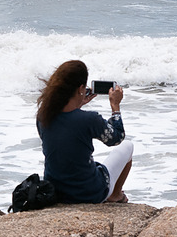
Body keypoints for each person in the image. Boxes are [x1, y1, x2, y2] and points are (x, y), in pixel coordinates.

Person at [36, 60, 133, 203]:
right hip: (88, 193)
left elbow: (65, 136)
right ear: (81, 88)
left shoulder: (43, 115)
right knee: (128, 146)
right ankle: (115, 194)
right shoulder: (89, 119)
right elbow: (116, 138)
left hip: (56, 192)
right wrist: (115, 107)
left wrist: (78, 103)